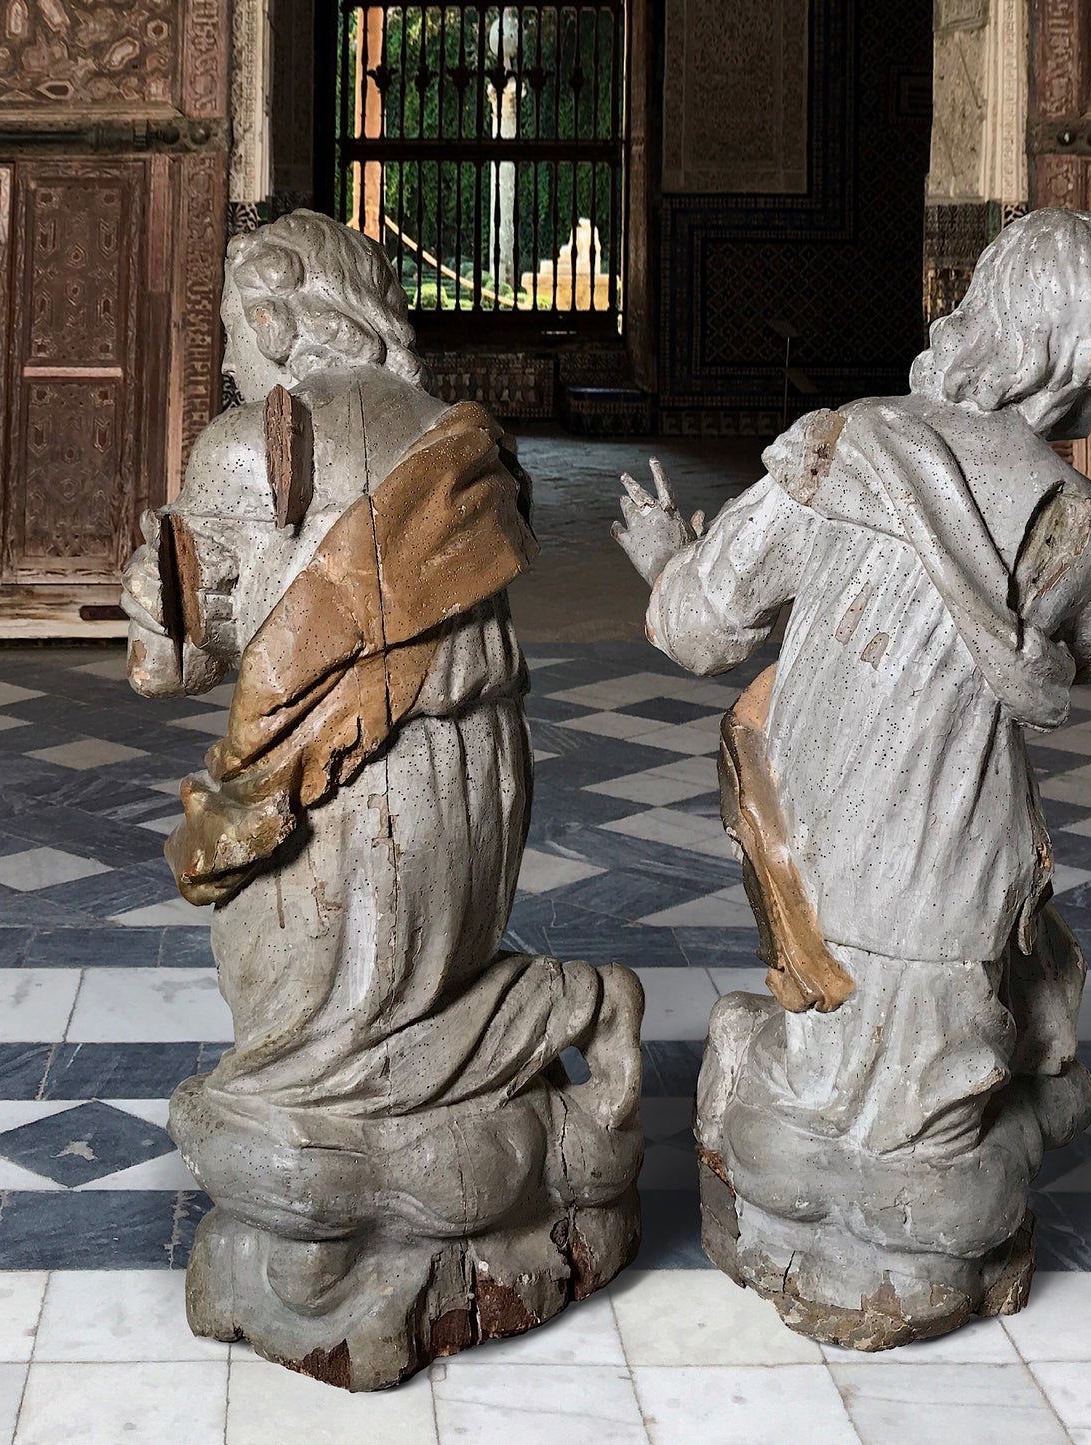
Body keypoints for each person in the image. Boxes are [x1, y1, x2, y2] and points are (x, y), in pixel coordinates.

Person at [614, 208, 1091, 1347]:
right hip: (957, 883)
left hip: (816, 866)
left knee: (794, 1076)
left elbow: (696, 629)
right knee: (977, 1117)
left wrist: (669, 556)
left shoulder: (839, 446)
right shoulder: (1079, 524)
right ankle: (933, 1193)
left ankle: (802, 1198)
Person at [122, 211, 641, 1388]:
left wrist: (154, 612)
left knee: (300, 1041)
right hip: (474, 768)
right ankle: (553, 1013)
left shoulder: (245, 448)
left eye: (227, 334)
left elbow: (191, 660)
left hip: (336, 785)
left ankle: (377, 1157)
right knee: (406, 982)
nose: (224, 360)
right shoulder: (459, 439)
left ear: (269, 317)